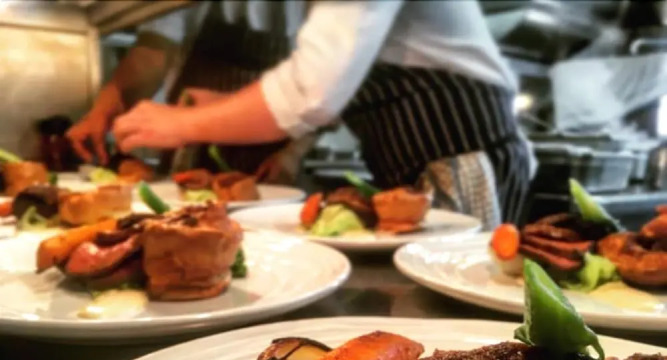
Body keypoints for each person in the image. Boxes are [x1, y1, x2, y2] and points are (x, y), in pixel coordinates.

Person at [113, 0, 535, 227]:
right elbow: (336, 89)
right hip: (410, 162)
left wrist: (180, 124)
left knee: (455, 313)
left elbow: (315, 90)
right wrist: (220, 106)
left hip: (458, 153)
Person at [67, 1, 307, 180]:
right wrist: (110, 101)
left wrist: (293, 154)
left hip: (271, 159)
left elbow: (317, 90)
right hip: (189, 155)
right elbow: (152, 54)